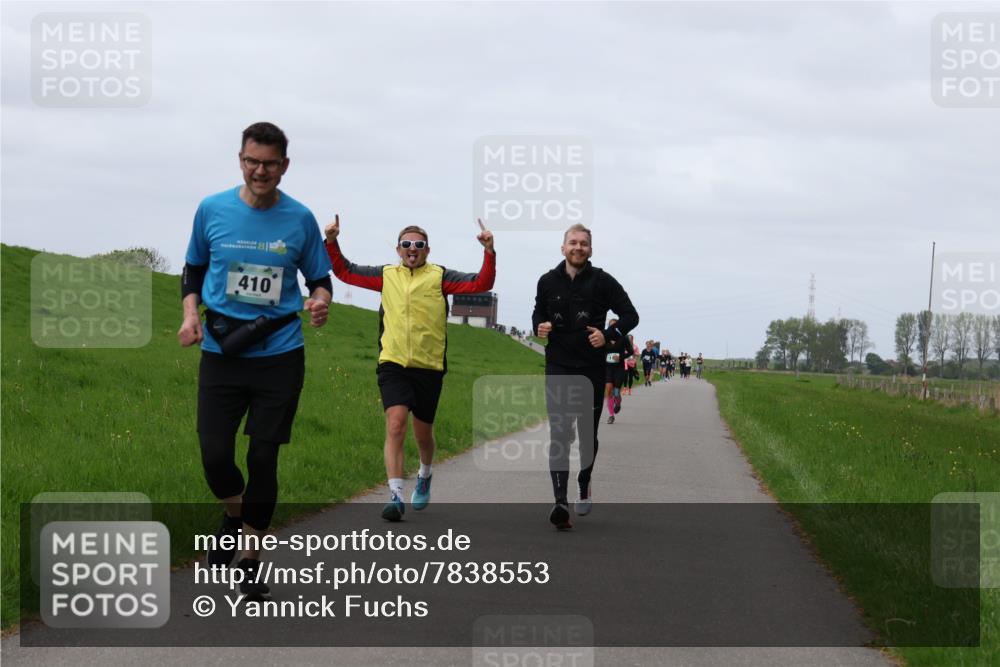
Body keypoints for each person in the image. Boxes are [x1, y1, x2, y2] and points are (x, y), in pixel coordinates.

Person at [179, 122, 333, 600]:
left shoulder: (300, 219)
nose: (259, 171)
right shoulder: (212, 209)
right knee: (215, 456)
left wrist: (321, 300)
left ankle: (250, 558)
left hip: (279, 354)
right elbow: (193, 270)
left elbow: (320, 278)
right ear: (240, 160)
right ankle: (234, 513)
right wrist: (190, 315)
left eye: (269, 163)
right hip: (221, 351)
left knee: (263, 456)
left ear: (284, 166)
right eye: (252, 161)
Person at [324, 215, 495, 521]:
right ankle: (395, 495)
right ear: (398, 249)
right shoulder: (386, 275)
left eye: (418, 244)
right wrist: (332, 242)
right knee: (395, 424)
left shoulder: (440, 277)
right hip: (393, 363)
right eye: (406, 244)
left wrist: (489, 251)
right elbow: (344, 271)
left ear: (427, 250)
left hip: (429, 367)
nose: (412, 248)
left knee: (423, 435)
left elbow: (482, 283)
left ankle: (425, 474)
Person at [533, 223, 638, 529]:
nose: (578, 247)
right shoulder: (547, 281)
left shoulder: (603, 281)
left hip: (591, 368)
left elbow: (631, 315)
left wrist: (608, 335)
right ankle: (560, 502)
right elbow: (538, 313)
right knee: (559, 433)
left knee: (587, 435)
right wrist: (540, 325)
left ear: (590, 250)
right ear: (563, 247)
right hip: (558, 365)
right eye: (573, 242)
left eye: (583, 243)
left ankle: (584, 481)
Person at [603, 318, 629, 424]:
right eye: (611, 326)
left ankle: (618, 403)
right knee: (609, 390)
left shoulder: (623, 338)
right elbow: (600, 351)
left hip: (619, 368)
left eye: (615, 326)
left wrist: (620, 357)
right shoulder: (605, 338)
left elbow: (630, 351)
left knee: (616, 391)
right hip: (608, 367)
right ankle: (611, 415)